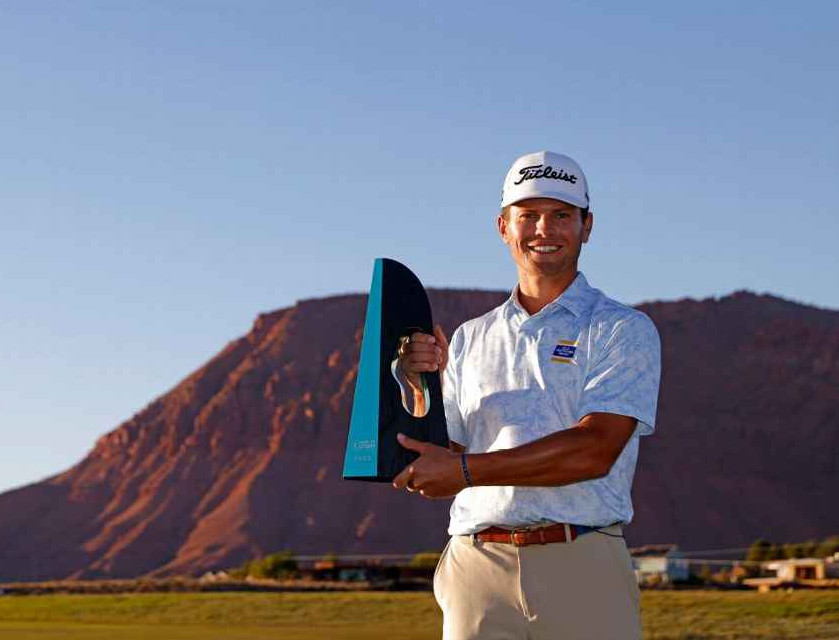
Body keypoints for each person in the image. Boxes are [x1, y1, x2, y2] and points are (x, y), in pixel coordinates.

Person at [392, 150, 661, 640]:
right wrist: (416, 385)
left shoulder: (622, 329)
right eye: (528, 216)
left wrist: (466, 470)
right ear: (502, 226)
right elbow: (441, 461)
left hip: (582, 562)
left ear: (587, 226)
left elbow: (595, 450)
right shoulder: (472, 337)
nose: (545, 230)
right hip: (478, 568)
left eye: (562, 215)